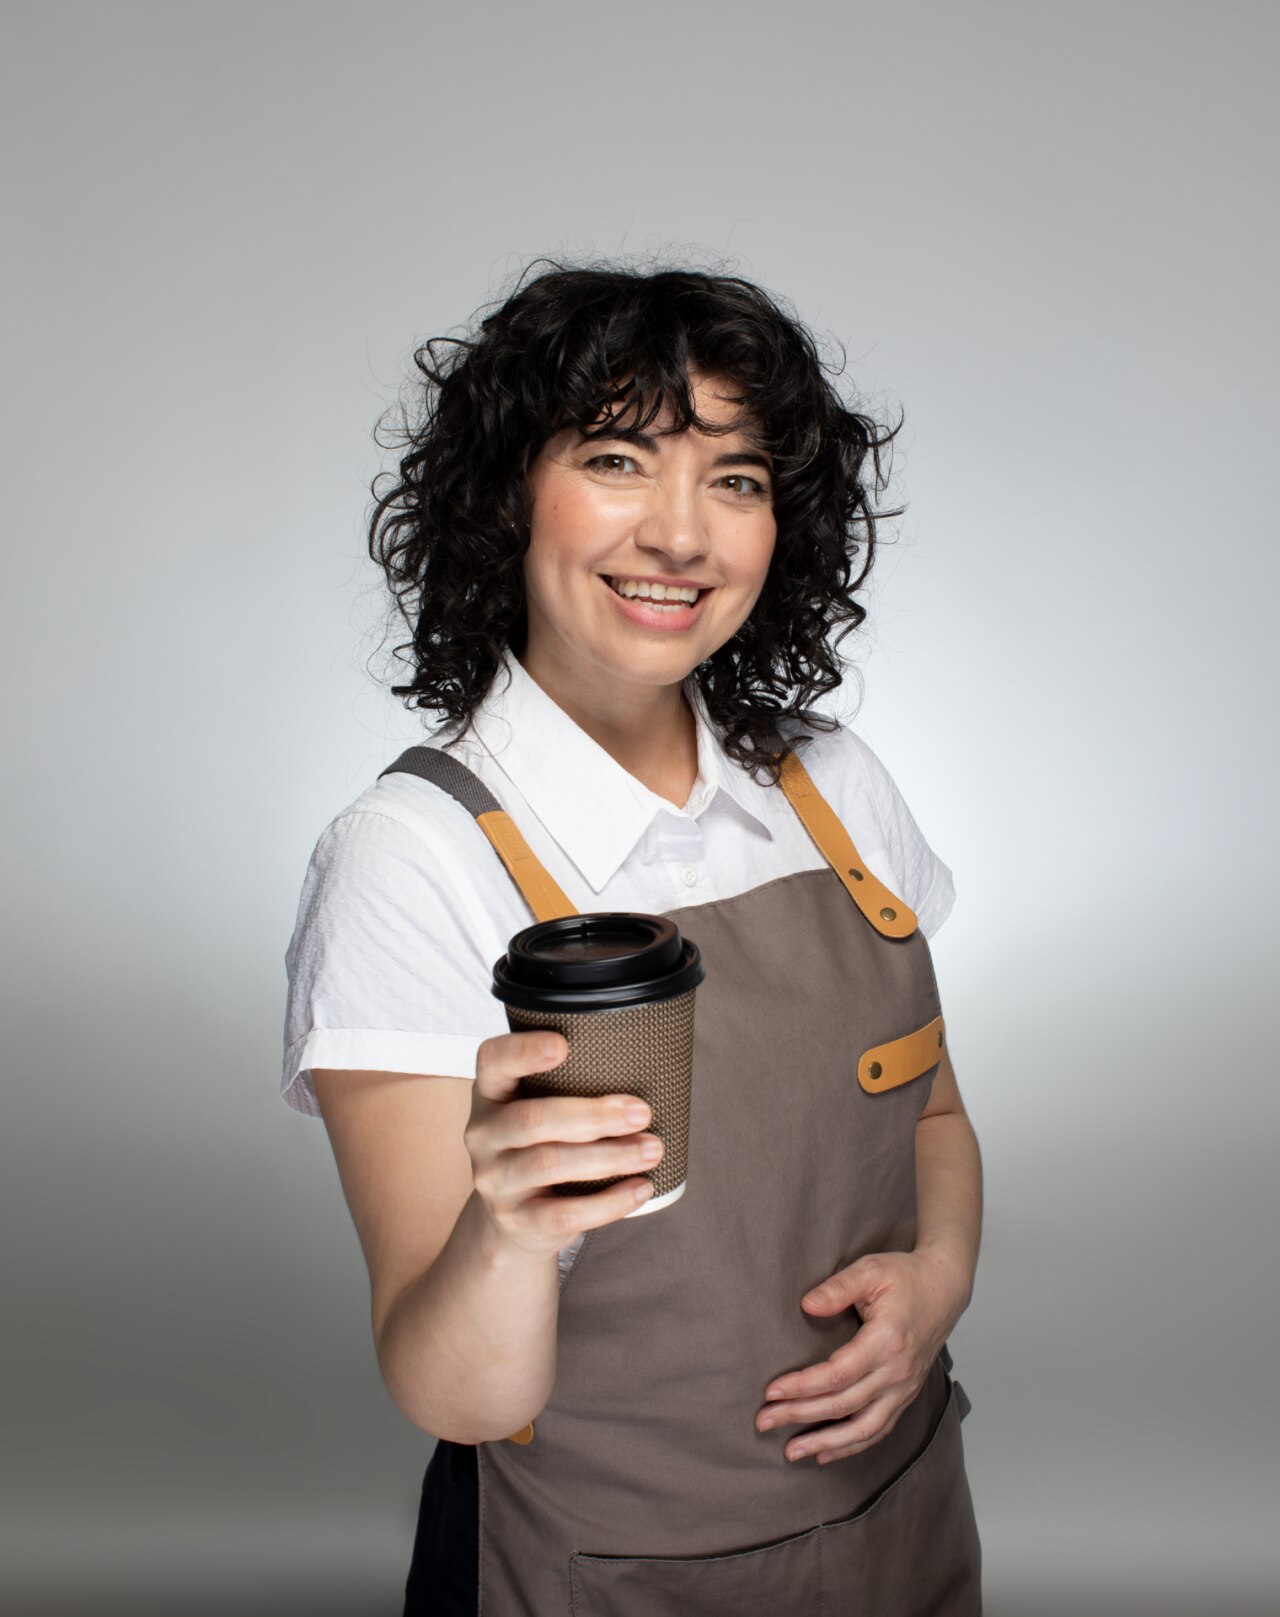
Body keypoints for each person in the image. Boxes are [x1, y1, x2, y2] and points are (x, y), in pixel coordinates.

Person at [281, 259, 984, 1615]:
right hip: (596, 1573)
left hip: (899, 1529)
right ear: (503, 499)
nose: (683, 534)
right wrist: (506, 1228)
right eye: (618, 458)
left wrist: (939, 1280)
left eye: (735, 478)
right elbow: (456, 1392)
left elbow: (938, 1117)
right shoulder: (410, 857)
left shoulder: (837, 787)